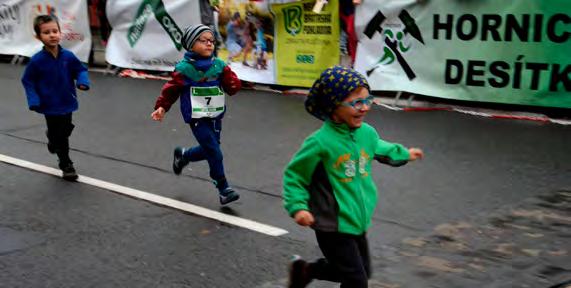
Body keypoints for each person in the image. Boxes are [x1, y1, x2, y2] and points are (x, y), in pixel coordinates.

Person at [283, 66, 424, 288]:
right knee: (356, 280)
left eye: (368, 99)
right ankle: (307, 271)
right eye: (356, 102)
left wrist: (405, 154)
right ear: (333, 107)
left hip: (357, 220)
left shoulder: (366, 132)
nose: (365, 107)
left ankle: (306, 271)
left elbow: (380, 147)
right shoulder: (320, 142)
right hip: (332, 224)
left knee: (358, 272)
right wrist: (298, 207)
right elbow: (295, 175)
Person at [151, 24, 242, 205]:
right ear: (191, 44)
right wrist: (162, 106)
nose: (209, 44)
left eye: (212, 41)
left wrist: (232, 82)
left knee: (210, 148)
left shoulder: (218, 65)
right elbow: (171, 90)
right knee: (214, 152)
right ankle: (223, 189)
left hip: (215, 115)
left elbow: (232, 86)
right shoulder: (184, 69)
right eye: (204, 40)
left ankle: (184, 155)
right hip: (197, 117)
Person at [21, 15, 90, 181]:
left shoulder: (68, 56)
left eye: (55, 31)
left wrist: (82, 82)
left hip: (67, 101)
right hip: (49, 104)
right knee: (62, 137)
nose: (52, 35)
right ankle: (66, 164)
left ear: (60, 33)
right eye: (46, 32)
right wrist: (34, 100)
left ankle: (52, 139)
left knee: (65, 130)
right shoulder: (37, 61)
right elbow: (27, 80)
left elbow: (80, 70)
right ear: (39, 37)